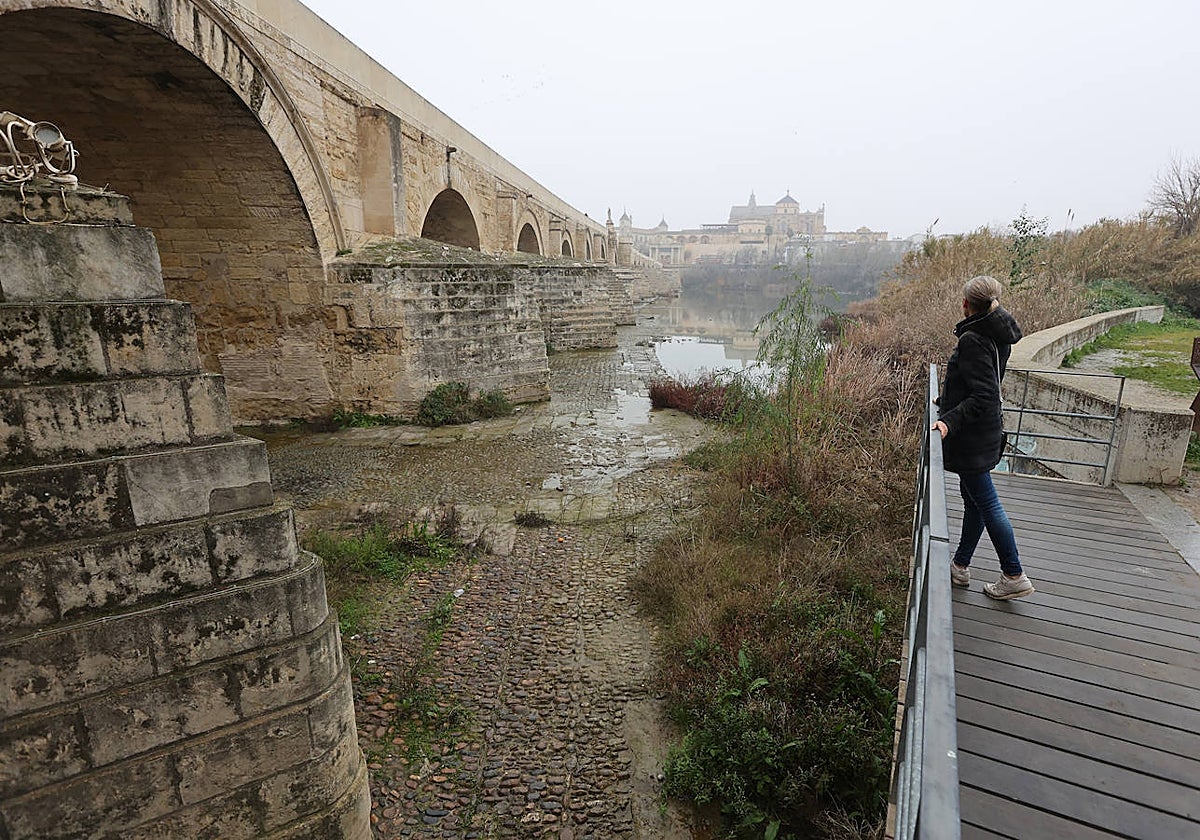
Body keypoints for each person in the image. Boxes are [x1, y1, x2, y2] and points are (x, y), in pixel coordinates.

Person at [932, 275, 1034, 600]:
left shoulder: (973, 339)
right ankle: (960, 566)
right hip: (986, 431)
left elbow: (984, 395)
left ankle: (1013, 573)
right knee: (974, 501)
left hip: (973, 437)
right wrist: (947, 399)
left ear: (965, 304)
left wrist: (948, 420)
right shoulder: (997, 333)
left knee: (987, 503)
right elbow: (979, 381)